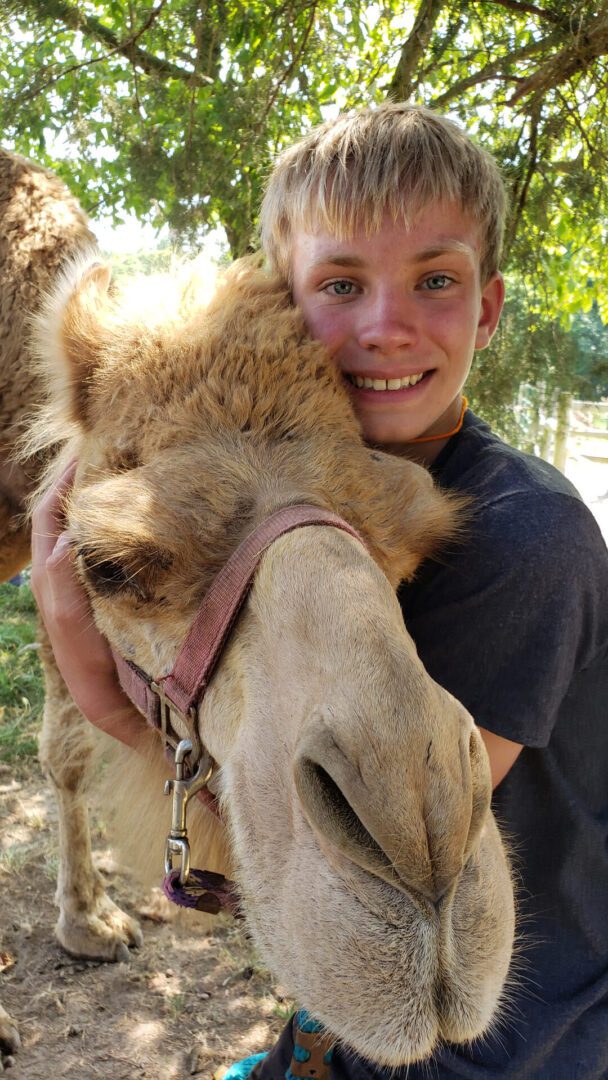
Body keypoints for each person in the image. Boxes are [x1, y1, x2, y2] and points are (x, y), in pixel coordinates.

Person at [32, 104, 608, 1079]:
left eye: (433, 280)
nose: (386, 326)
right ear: (283, 303)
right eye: (342, 284)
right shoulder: (305, 479)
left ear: (487, 308)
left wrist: (96, 691)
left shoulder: (525, 536)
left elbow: (335, 847)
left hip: (525, 1037)